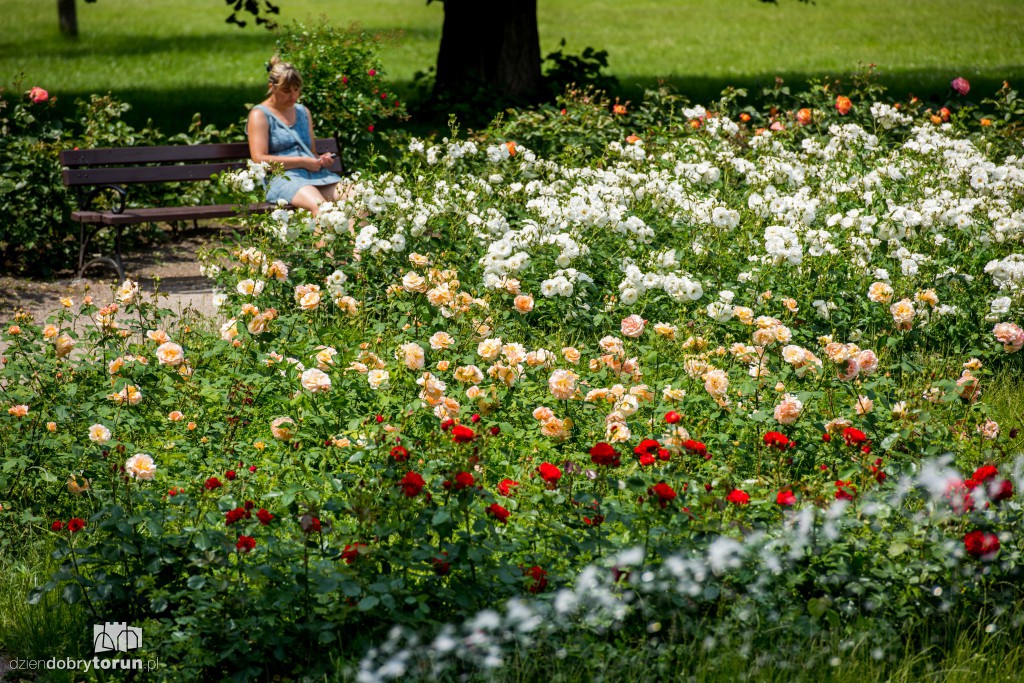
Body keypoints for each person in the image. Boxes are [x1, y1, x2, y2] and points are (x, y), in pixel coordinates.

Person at [247, 56, 343, 216]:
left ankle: (352, 241)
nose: (293, 96)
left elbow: (310, 152)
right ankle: (324, 241)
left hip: (314, 175)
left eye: (297, 89)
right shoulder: (260, 115)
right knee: (322, 208)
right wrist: (302, 162)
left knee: (358, 200)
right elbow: (259, 159)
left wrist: (320, 159)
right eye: (286, 91)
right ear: (272, 87)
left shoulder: (303, 112)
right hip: (282, 178)